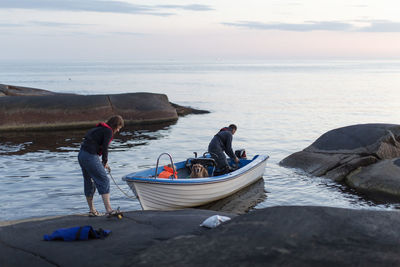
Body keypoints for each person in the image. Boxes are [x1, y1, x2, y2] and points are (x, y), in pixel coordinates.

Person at [78, 115, 124, 217]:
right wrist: (104, 161)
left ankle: (92, 211)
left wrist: (103, 163)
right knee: (104, 180)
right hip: (89, 156)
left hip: (82, 154)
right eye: (119, 128)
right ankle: (109, 210)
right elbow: (104, 148)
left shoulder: (99, 128)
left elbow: (92, 143)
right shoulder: (108, 131)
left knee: (89, 181)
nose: (118, 130)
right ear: (116, 125)